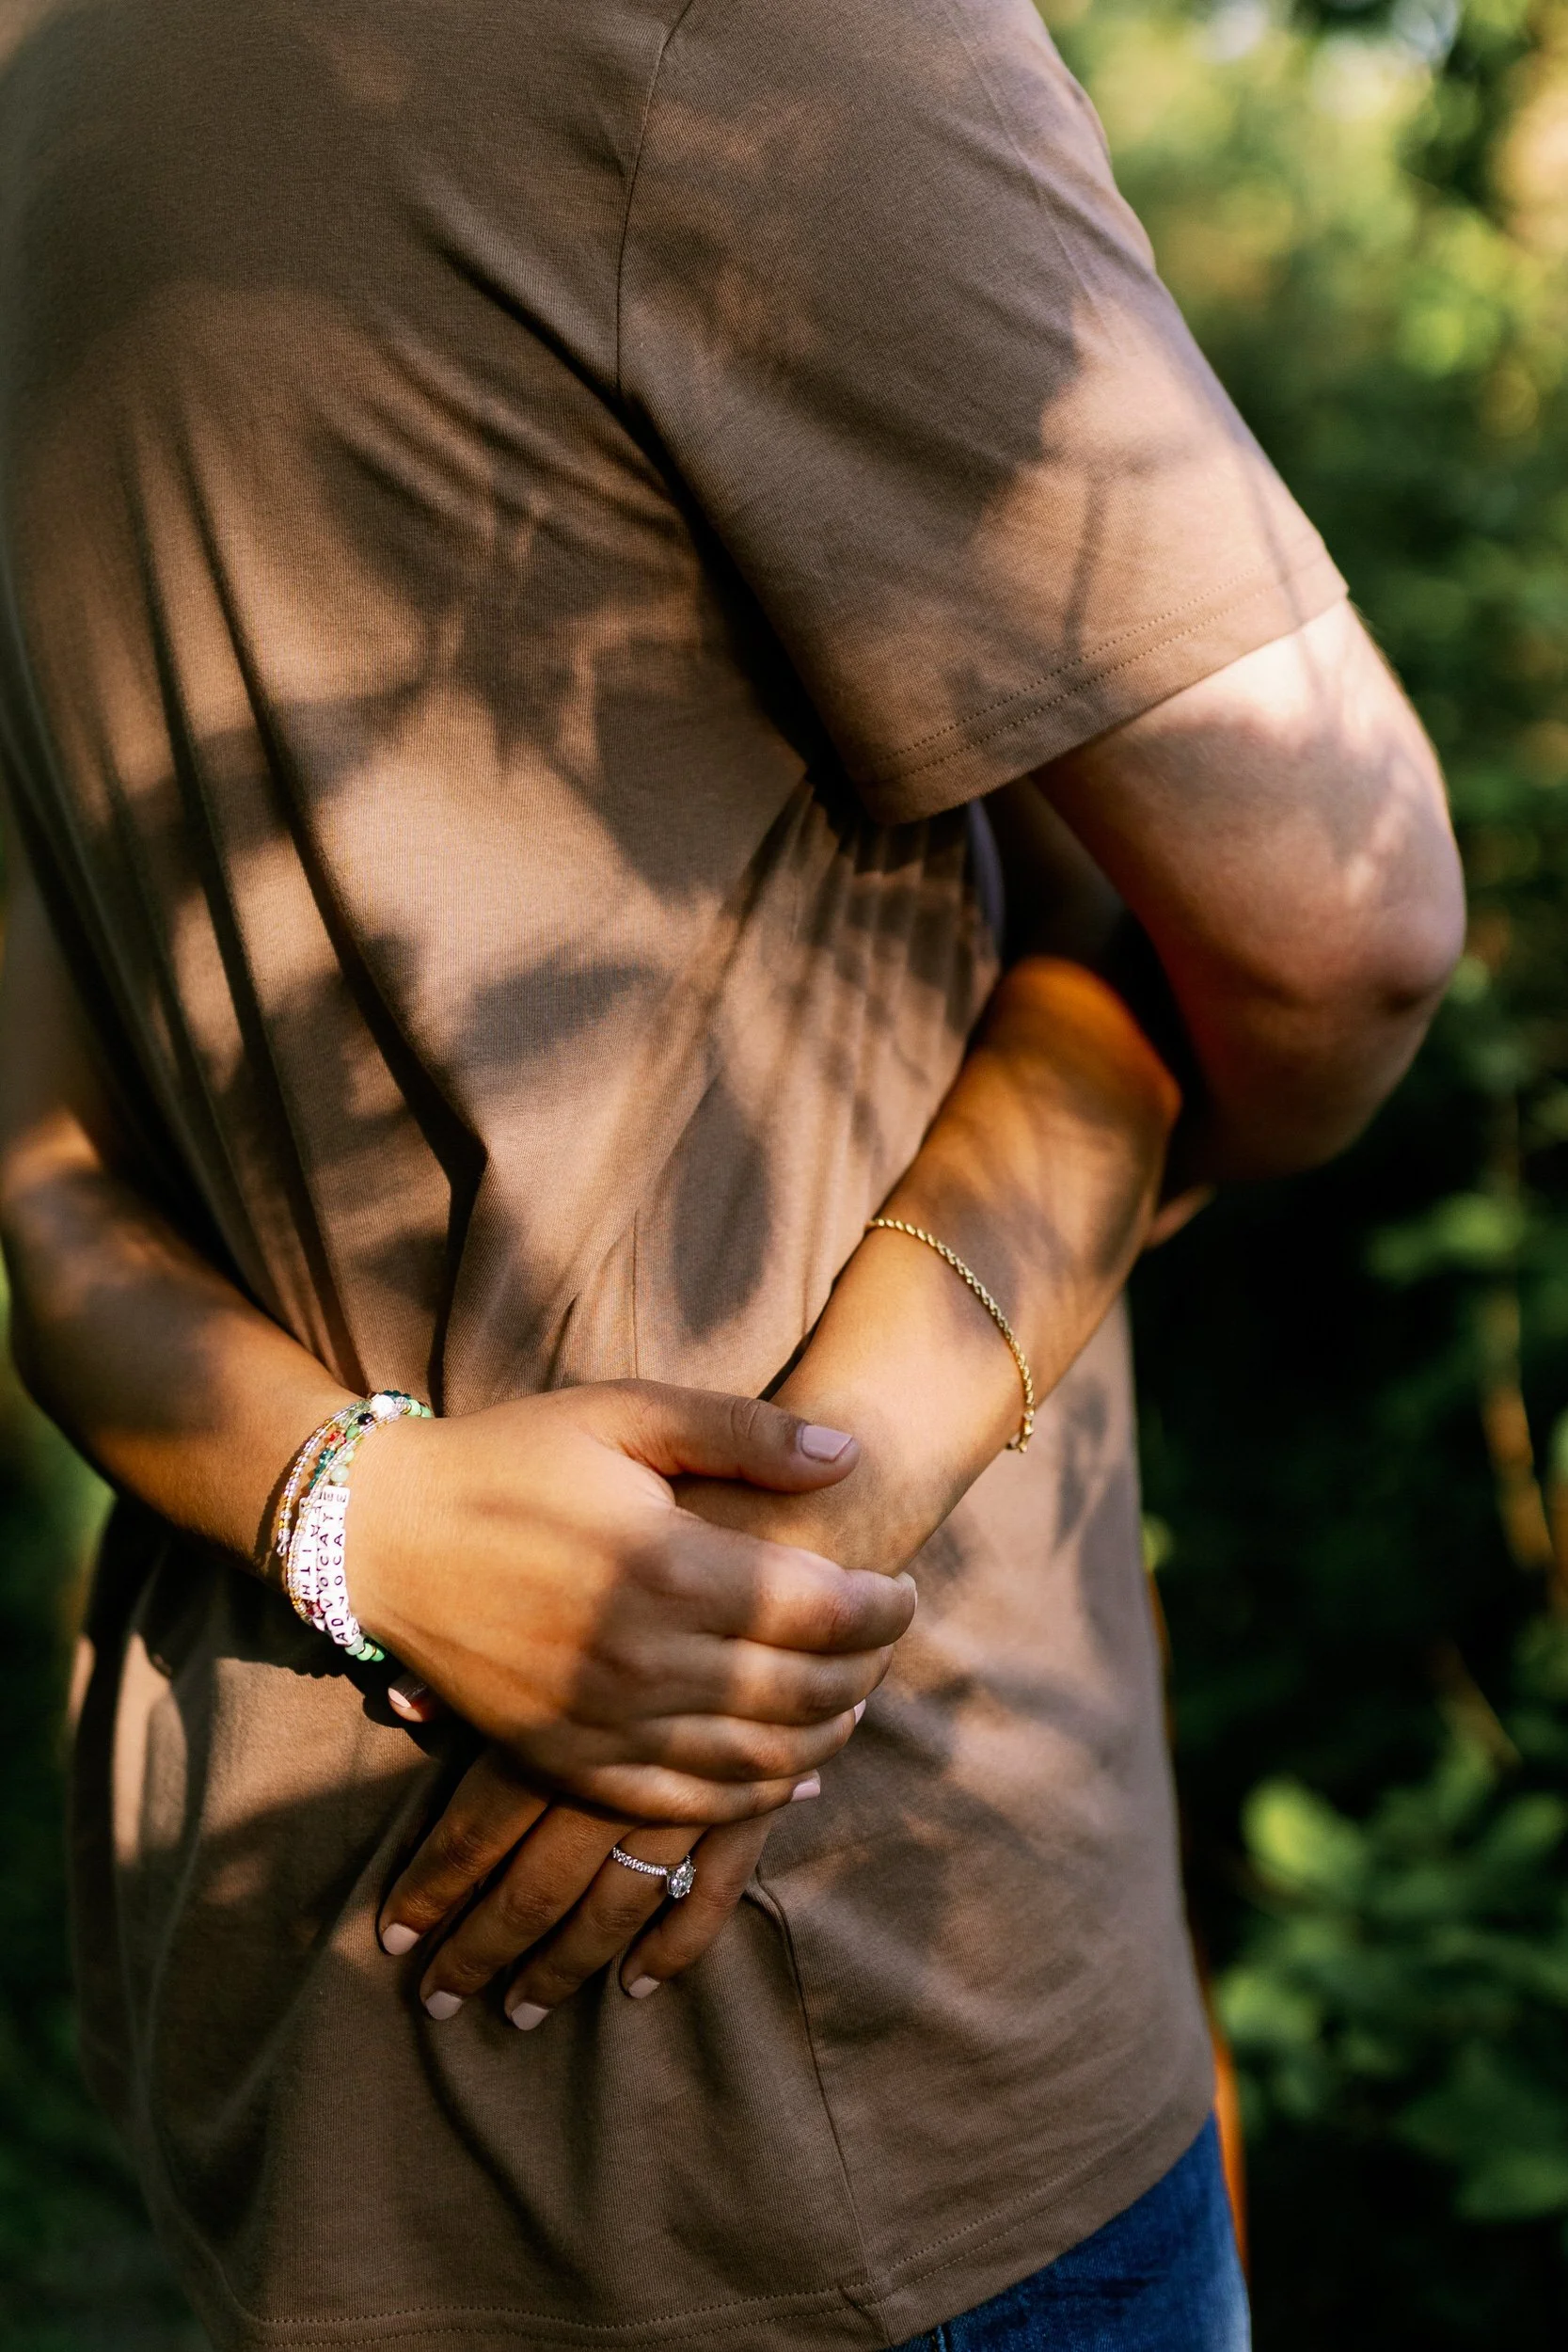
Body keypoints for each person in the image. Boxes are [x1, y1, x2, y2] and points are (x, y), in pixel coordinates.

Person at [0, 0, 1464, 2346]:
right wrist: (815, 1522)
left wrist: (353, 1511)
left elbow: (52, 1188)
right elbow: (1339, 922)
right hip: (840, 2026)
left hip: (288, 2034)